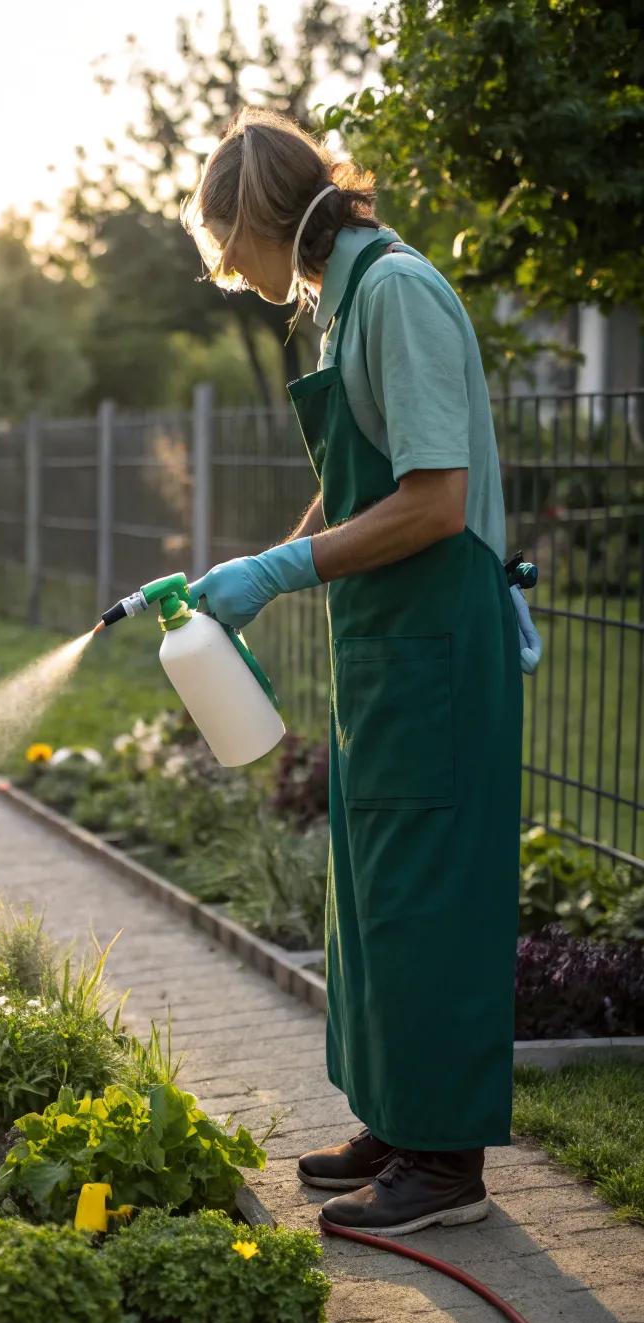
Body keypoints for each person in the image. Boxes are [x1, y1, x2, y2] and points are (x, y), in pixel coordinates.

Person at [181, 106, 540, 1238]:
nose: (229, 269)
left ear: (261, 215)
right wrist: (256, 566)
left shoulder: (395, 293)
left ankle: (447, 1167)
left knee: (427, 892)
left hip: (436, 639)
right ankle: (398, 1119)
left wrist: (283, 571)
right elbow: (356, 483)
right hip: (389, 646)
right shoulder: (336, 308)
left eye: (226, 242)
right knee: (377, 892)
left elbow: (433, 502)